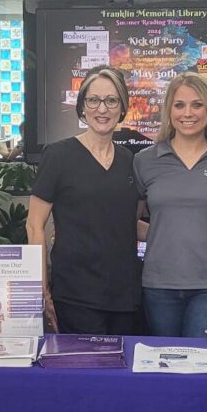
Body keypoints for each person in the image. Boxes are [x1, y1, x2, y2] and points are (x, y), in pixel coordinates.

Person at [26, 65, 140, 334]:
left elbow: (128, 223)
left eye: (111, 101)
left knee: (124, 373)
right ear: (82, 107)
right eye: (93, 100)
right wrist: (42, 291)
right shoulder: (58, 156)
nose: (103, 109)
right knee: (85, 374)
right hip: (76, 294)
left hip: (125, 294)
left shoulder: (129, 160)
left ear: (122, 107)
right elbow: (34, 226)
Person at [133, 72, 207, 337]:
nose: (188, 113)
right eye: (179, 105)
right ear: (169, 110)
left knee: (200, 367)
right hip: (158, 283)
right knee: (165, 367)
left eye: (197, 104)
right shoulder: (145, 160)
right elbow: (128, 221)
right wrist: (167, 233)